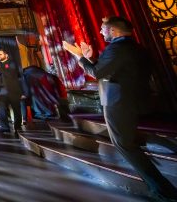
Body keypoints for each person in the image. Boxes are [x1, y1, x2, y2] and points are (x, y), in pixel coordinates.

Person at [63, 16, 177, 201]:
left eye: (102, 28)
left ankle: (162, 190)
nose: (100, 31)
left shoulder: (116, 48)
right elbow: (117, 70)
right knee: (129, 137)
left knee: (124, 144)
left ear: (113, 31)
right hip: (137, 100)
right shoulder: (137, 48)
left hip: (119, 102)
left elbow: (98, 72)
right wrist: (91, 58)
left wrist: (79, 57)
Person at [0, 48, 25, 135]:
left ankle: (17, 127)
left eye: (0, 54)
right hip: (2, 91)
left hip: (13, 90)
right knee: (0, 107)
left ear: (6, 55)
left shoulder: (11, 63)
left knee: (16, 109)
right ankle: (5, 127)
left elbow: (10, 74)